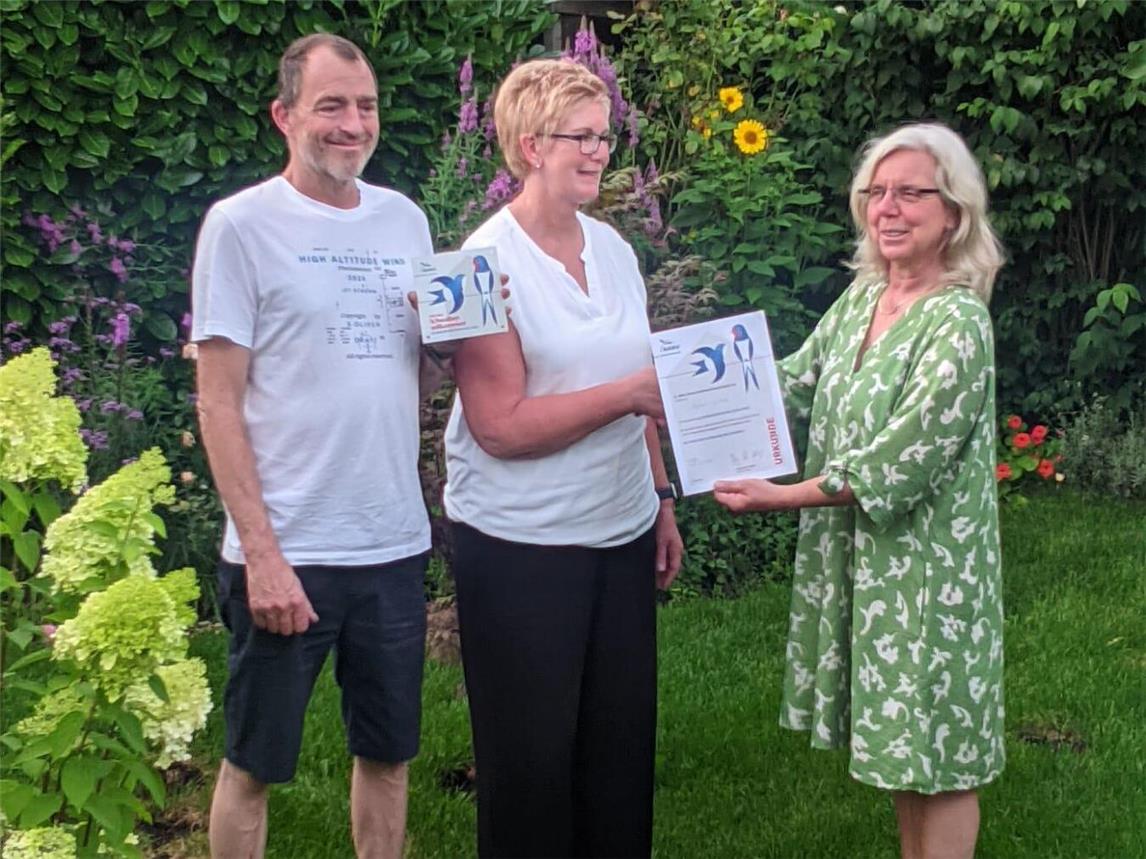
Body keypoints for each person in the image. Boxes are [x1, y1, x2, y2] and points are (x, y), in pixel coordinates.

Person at [714, 122, 1006, 859]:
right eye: (876, 192)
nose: (889, 208)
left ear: (954, 211)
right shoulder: (865, 296)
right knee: (909, 753)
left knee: (940, 759)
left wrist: (780, 496)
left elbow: (897, 463)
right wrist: (686, 390)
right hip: (877, 569)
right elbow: (792, 382)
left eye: (911, 192)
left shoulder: (960, 321)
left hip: (931, 575)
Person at [191, 34, 443, 859]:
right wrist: (261, 553)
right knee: (252, 764)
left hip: (391, 540)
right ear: (284, 115)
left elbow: (410, 375)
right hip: (287, 549)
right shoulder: (240, 226)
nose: (352, 123)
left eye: (365, 105)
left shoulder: (405, 218)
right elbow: (217, 400)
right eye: (331, 105)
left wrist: (452, 342)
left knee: (389, 755)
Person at [442, 59, 683, 858]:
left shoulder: (614, 249)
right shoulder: (480, 264)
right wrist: (625, 396)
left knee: (617, 759)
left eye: (605, 136)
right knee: (531, 767)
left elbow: (642, 380)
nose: (600, 151)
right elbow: (500, 426)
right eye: (582, 136)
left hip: (618, 532)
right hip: (521, 548)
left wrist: (661, 499)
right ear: (529, 144)